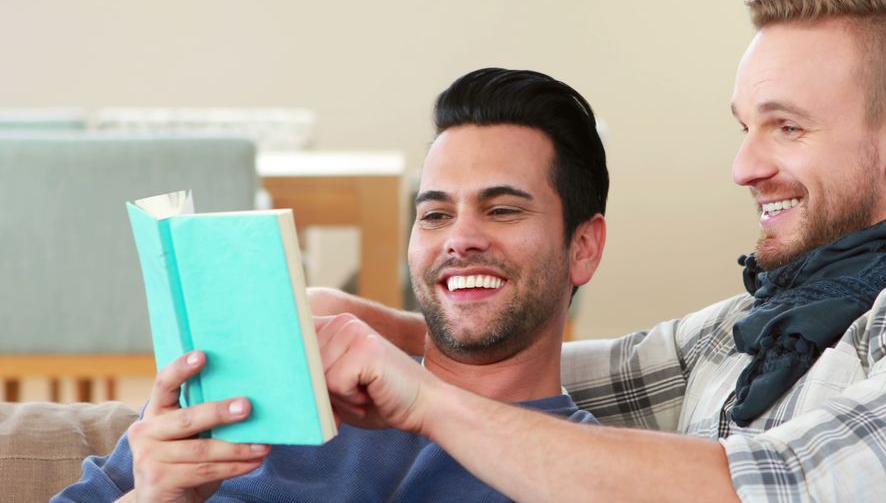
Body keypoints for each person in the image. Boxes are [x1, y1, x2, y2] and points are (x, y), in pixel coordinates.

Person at [313, 0, 886, 501]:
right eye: (745, 128)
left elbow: (772, 488)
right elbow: (576, 368)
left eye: (786, 127)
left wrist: (422, 397)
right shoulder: (771, 322)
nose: (745, 167)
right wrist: (368, 332)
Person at [54, 67, 608, 501]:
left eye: (504, 209)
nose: (459, 240)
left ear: (583, 247)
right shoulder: (274, 382)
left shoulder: (595, 474)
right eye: (435, 215)